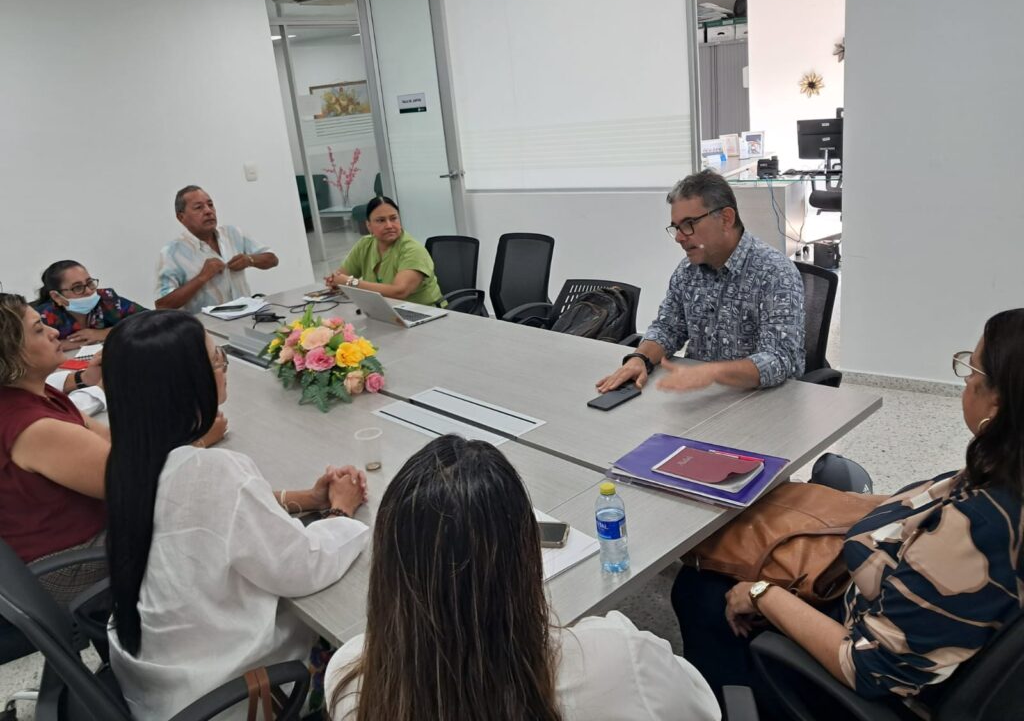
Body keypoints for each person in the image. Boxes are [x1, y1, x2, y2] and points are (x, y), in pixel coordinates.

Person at [673, 308, 1024, 718]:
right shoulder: (1007, 467)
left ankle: (727, 703)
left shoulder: (978, 528)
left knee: (699, 591)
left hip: (866, 654)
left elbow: (870, 670)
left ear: (997, 402)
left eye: (971, 368)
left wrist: (760, 593)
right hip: (894, 591)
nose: (964, 380)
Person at [325, 434, 720, 721]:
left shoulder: (350, 679)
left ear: (392, 567)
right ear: (526, 555)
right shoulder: (617, 658)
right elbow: (702, 707)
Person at [103, 309, 369, 720]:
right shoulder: (213, 471)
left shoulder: (132, 459)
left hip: (161, 683)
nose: (223, 368)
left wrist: (309, 500)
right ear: (186, 383)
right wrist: (340, 510)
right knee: (374, 644)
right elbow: (303, 568)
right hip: (232, 693)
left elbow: (214, 516)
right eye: (216, 360)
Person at [596, 170, 804, 395]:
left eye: (689, 224)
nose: (679, 237)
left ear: (726, 218)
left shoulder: (774, 272)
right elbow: (668, 328)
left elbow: (780, 359)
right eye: (676, 227)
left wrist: (711, 372)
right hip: (702, 398)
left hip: (762, 401)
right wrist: (639, 358)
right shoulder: (687, 271)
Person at [0, 293, 109, 601]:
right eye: (38, 330)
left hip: (78, 540)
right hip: (69, 563)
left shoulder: (37, 391)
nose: (54, 332)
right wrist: (198, 439)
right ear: (9, 353)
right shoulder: (32, 426)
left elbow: (110, 441)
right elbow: (135, 483)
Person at [155, 185, 279, 313]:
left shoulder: (233, 233)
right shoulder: (172, 253)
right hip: (206, 329)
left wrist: (250, 260)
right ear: (181, 218)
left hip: (247, 318)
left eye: (210, 205)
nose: (208, 211)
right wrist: (202, 278)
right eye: (199, 207)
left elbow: (273, 259)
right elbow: (162, 305)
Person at [323, 196, 444, 306]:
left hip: (424, 312)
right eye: (381, 220)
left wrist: (350, 282)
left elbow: (399, 292)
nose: (389, 225)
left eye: (393, 218)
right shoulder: (365, 244)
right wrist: (335, 280)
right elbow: (342, 276)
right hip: (384, 310)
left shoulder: (413, 250)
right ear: (368, 225)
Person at [33, 259, 145, 346]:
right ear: (57, 297)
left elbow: (148, 319)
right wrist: (64, 344)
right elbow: (25, 349)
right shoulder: (43, 316)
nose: (88, 291)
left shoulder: (108, 299)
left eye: (89, 283)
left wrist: (105, 333)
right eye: (77, 288)